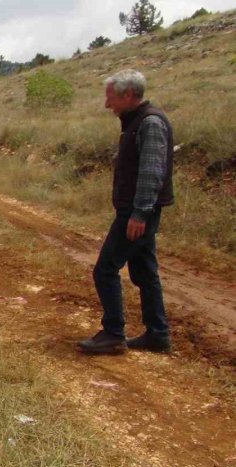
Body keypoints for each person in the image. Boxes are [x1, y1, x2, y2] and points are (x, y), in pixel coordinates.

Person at [78, 69, 174, 355]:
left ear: (128, 95)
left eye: (111, 99)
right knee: (145, 272)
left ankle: (113, 333)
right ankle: (157, 334)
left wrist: (140, 213)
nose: (108, 105)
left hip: (137, 212)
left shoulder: (150, 123)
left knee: (105, 269)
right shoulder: (136, 122)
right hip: (136, 210)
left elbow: (150, 173)